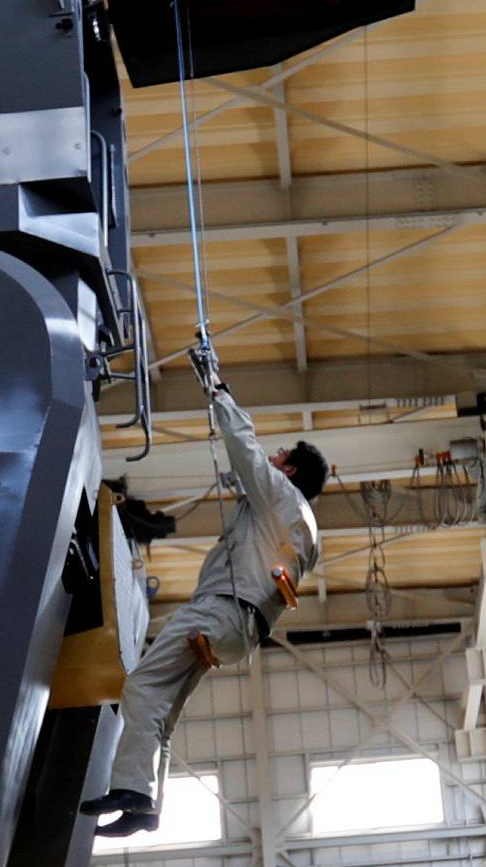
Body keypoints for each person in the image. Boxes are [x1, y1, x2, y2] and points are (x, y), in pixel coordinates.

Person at [86, 356, 327, 836]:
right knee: (164, 709)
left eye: (280, 457)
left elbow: (244, 448)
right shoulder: (305, 530)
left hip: (218, 612)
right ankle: (147, 806)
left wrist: (218, 389)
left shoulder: (279, 495)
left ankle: (132, 789)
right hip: (242, 633)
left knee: (143, 686)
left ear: (290, 469)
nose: (272, 461)